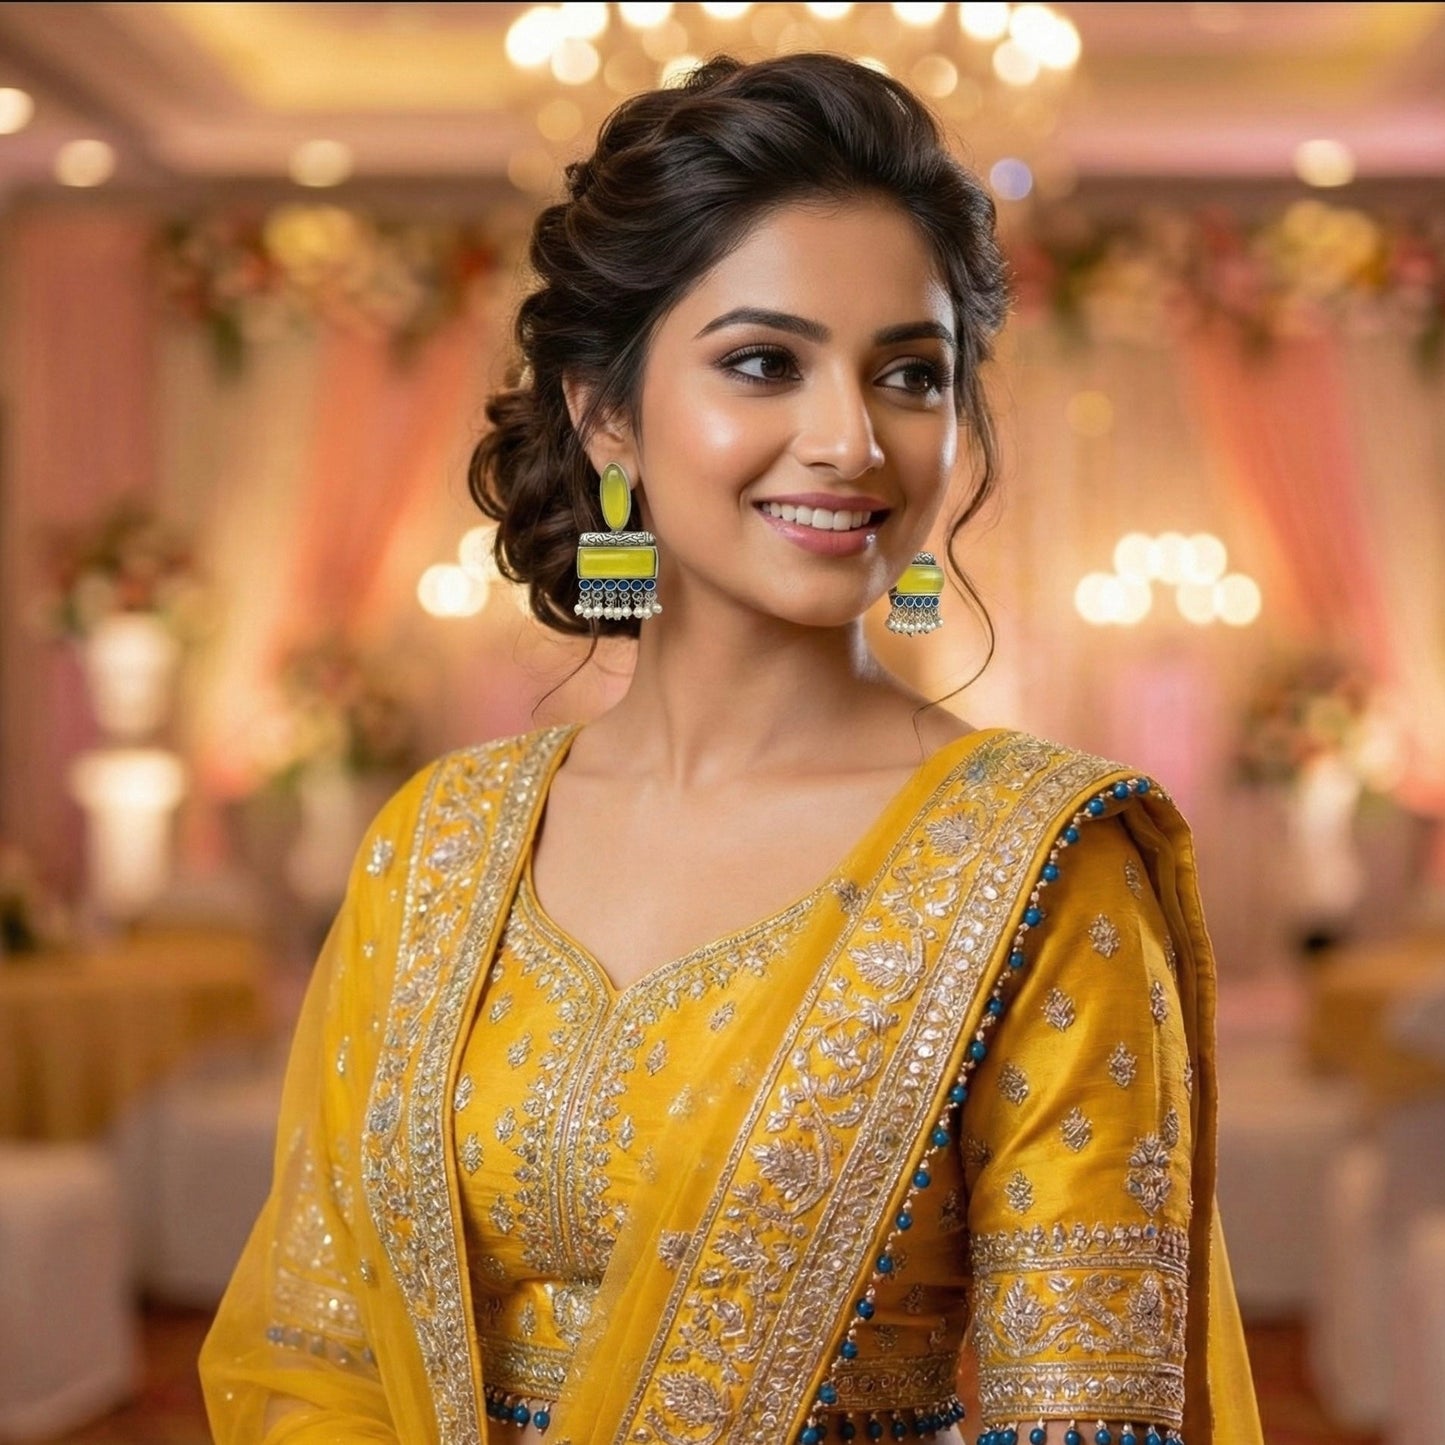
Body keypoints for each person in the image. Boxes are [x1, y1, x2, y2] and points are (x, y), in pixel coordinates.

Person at [201, 53, 1263, 1445]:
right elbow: (318, 1354)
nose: (847, 439)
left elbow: (1089, 1417)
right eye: (764, 361)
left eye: (908, 373)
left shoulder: (1043, 867)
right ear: (606, 412)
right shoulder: (442, 843)